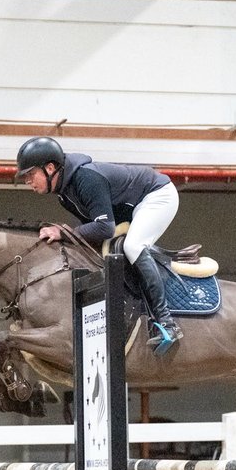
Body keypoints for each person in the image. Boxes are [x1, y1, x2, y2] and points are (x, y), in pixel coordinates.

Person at [14, 136, 183, 355]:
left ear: (50, 168)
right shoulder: (65, 195)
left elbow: (104, 228)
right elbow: (92, 230)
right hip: (133, 209)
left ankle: (166, 321)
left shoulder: (86, 179)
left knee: (133, 246)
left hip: (157, 195)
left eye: (30, 174)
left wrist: (62, 232)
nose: (28, 181)